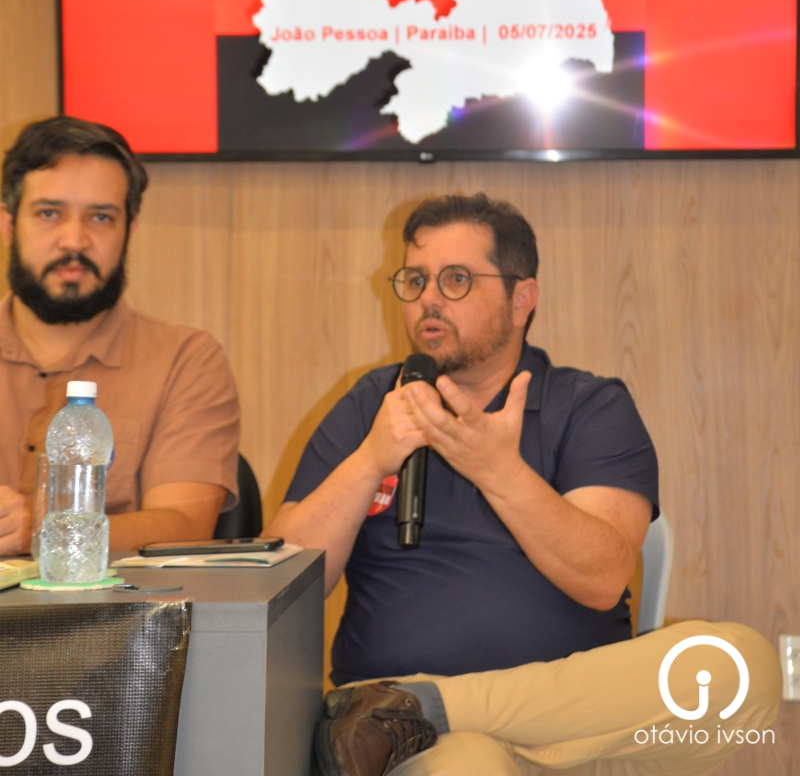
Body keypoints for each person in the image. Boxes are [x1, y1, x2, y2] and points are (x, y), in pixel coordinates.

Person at [267, 193, 780, 776]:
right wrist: (369, 460)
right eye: (415, 279)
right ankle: (414, 716)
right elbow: (281, 587)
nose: (428, 298)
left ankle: (421, 706)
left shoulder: (588, 407)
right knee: (471, 768)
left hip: (572, 720)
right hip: (419, 749)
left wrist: (498, 470)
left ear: (521, 299)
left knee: (740, 668)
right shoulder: (371, 406)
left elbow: (603, 578)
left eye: (456, 279)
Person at [0, 116, 240, 556]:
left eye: (101, 217)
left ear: (129, 229)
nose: (75, 241)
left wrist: (43, 527)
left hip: (114, 603)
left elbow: (186, 525)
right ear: (9, 224)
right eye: (49, 213)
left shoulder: (186, 360)